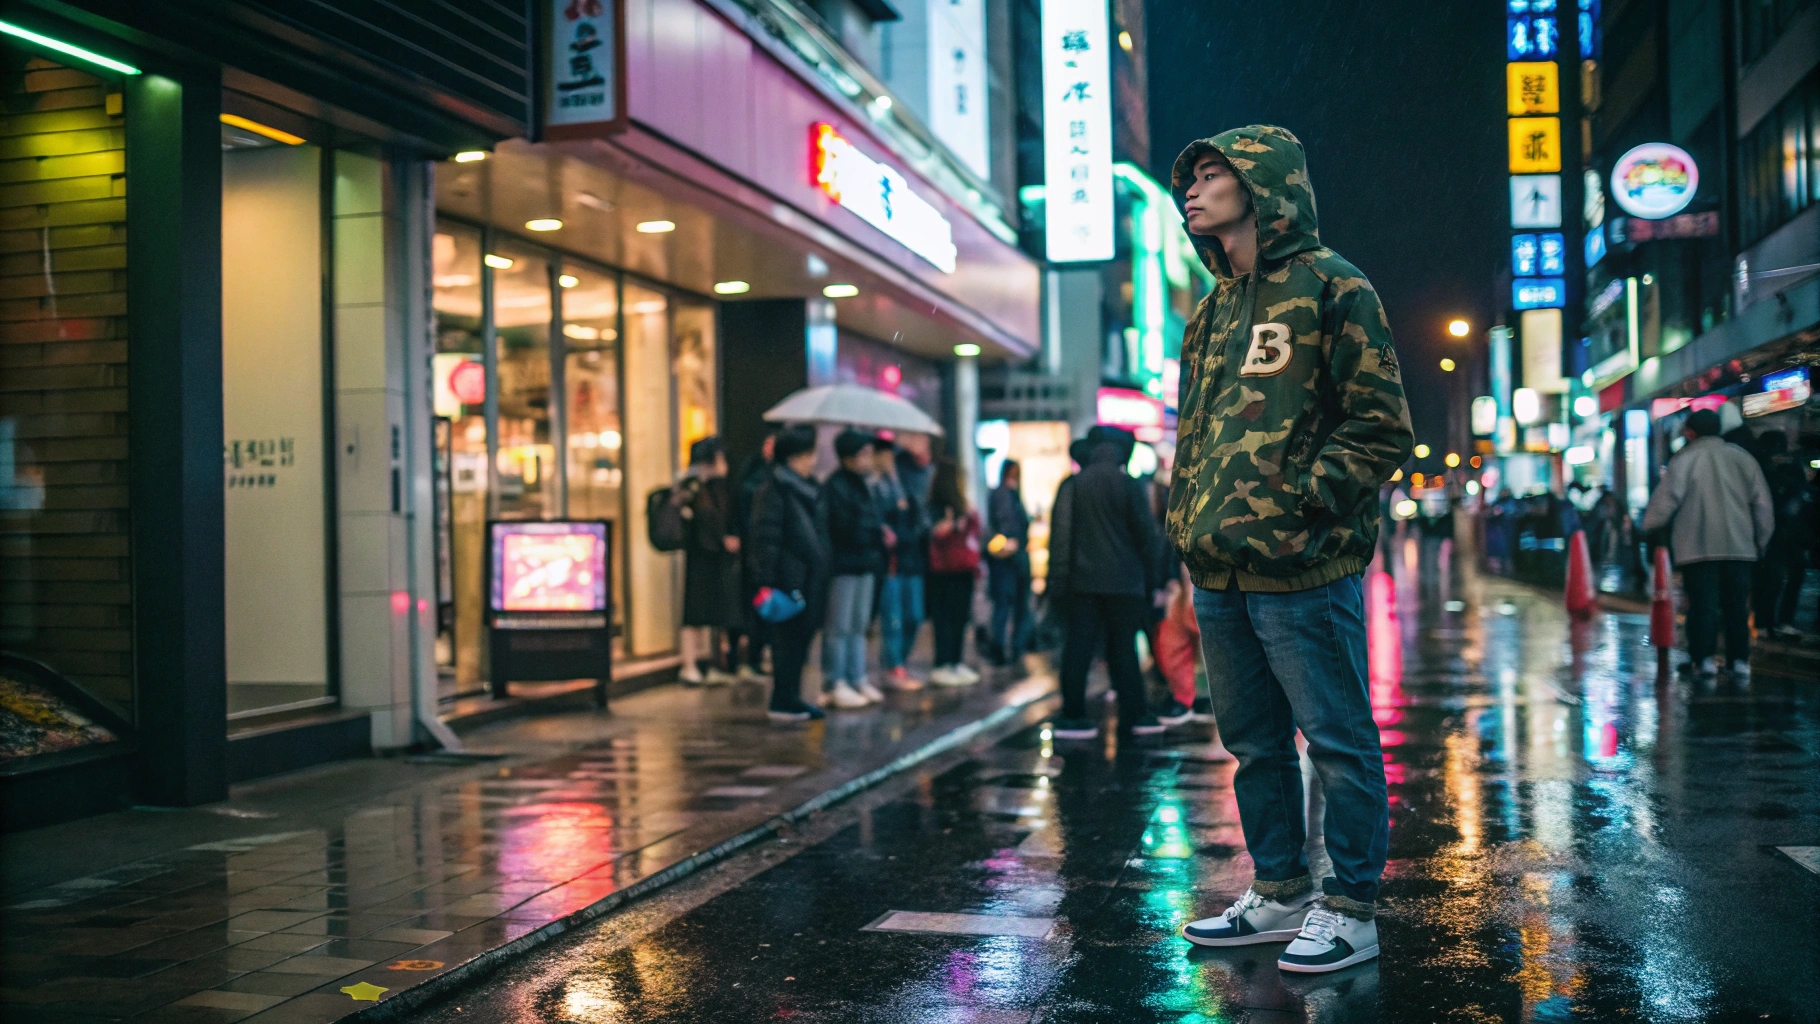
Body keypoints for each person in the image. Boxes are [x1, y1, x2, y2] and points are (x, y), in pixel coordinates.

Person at [1166, 127, 1414, 973]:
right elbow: (1193, 438)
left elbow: (1382, 426)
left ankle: (1351, 907)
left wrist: (1301, 501)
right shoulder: (1210, 312)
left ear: (1262, 186)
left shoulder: (1334, 285)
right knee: (1255, 745)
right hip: (1220, 571)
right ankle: (1278, 890)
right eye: (1191, 179)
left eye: (1212, 175)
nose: (1194, 190)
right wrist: (1186, 531)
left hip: (1303, 569)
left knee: (1336, 740)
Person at [1047, 425, 1167, 741]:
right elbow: (1147, 536)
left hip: (1082, 583)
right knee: (1123, 649)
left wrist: (1056, 582)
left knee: (1078, 649)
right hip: (1126, 584)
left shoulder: (1073, 484)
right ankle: (1136, 714)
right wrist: (1153, 581)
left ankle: (1073, 716)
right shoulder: (1129, 484)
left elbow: (1061, 537)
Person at [1643, 408, 1774, 681]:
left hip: (1697, 548)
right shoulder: (1742, 458)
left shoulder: (1685, 460)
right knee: (1737, 605)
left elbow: (1663, 503)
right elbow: (1762, 505)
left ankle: (1704, 661)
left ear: (1691, 432)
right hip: (1740, 547)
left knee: (1703, 605)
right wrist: (1760, 541)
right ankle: (1739, 661)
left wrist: (1647, 526)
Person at [746, 425, 829, 723]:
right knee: (786, 642)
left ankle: (791, 697)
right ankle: (783, 699)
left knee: (800, 640)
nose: (812, 461)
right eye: (807, 455)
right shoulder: (775, 489)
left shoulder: (808, 488)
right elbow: (766, 535)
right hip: (787, 577)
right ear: (792, 457)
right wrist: (766, 580)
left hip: (808, 577)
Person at [819, 429, 888, 709]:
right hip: (844, 564)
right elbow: (843, 526)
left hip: (865, 563)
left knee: (858, 624)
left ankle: (856, 676)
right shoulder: (836, 487)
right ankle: (836, 680)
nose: (869, 459)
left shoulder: (863, 484)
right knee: (840, 624)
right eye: (864, 454)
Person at [676, 437, 740, 685]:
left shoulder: (719, 488)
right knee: (694, 612)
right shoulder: (691, 486)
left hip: (715, 558)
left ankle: (714, 663)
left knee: (716, 611)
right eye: (720, 458)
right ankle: (689, 665)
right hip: (700, 557)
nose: (724, 463)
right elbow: (700, 523)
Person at [870, 438, 925, 691]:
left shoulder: (902, 481)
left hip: (910, 558)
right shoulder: (873, 486)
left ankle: (898, 661)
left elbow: (916, 515)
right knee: (893, 616)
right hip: (890, 561)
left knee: (913, 614)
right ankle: (893, 665)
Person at [924, 459, 981, 686]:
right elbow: (931, 535)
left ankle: (955, 661)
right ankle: (943, 662)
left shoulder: (963, 507)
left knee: (959, 617)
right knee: (945, 618)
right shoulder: (937, 507)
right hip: (944, 569)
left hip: (962, 567)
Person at [1752, 430, 1812, 639]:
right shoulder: (1781, 468)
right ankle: (1776, 621)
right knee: (1780, 578)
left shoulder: (1762, 467)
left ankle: (1767, 621)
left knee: (1772, 579)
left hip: (1777, 532)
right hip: (1787, 532)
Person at [729, 429, 778, 683]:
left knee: (763, 606)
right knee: (748, 604)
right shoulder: (753, 473)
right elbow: (738, 504)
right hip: (751, 549)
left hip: (765, 551)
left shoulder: (778, 477)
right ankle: (746, 658)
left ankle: (759, 656)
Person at [986, 460, 1033, 666]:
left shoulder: (1005, 494)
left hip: (1009, 559)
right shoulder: (1006, 494)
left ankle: (1006, 648)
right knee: (1009, 606)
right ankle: (1009, 648)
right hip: (1009, 559)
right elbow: (1009, 525)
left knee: (1006, 606)